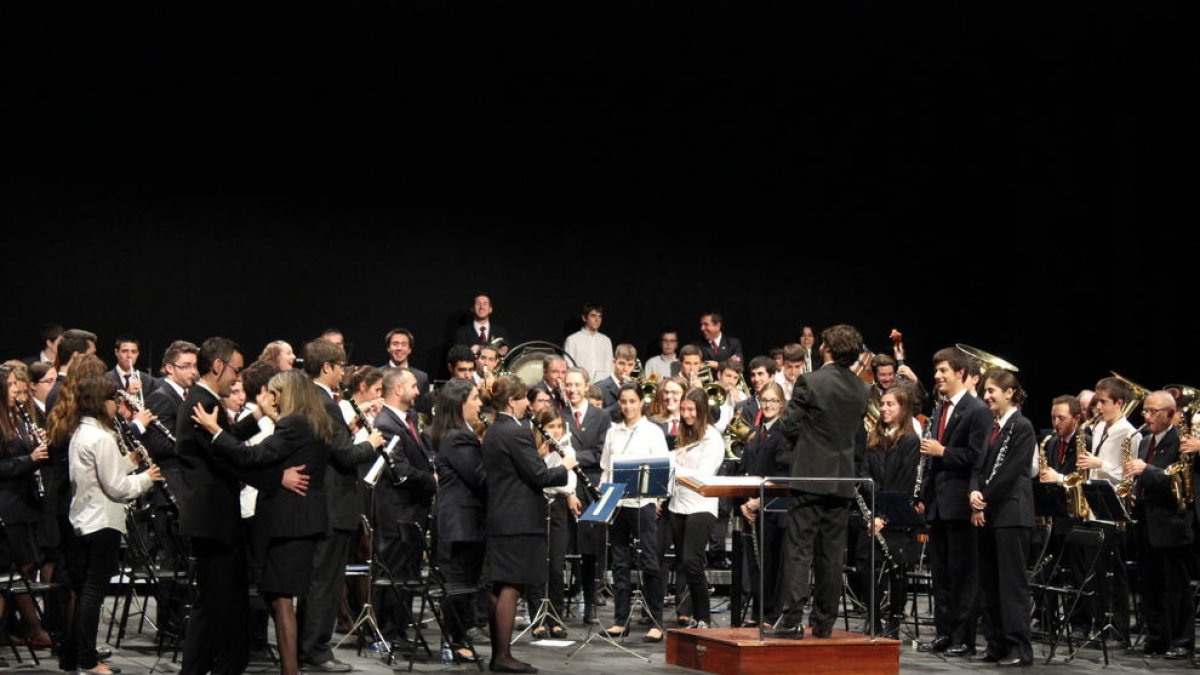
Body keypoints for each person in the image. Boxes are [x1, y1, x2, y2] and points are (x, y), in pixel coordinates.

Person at [192, 370, 334, 675]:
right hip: (302, 519)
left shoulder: (294, 423)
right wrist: (266, 416)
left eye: (274, 392)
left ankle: (290, 671)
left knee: (281, 599)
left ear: (287, 394)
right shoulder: (314, 420)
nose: (269, 398)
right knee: (277, 595)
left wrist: (216, 430)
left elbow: (252, 455)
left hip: (289, 521)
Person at [174, 337, 295, 675]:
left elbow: (226, 441)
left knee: (226, 601)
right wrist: (276, 479)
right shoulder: (201, 402)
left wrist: (257, 414)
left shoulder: (205, 399)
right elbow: (228, 461)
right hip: (211, 519)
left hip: (216, 518)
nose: (237, 379)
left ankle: (228, 665)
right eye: (236, 371)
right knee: (213, 605)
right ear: (217, 366)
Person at [765, 324, 869, 640]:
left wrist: (806, 445)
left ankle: (793, 619)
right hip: (841, 481)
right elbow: (857, 438)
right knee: (832, 555)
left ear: (826, 349)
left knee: (799, 550)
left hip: (809, 477)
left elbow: (788, 426)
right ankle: (824, 623)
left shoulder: (811, 381)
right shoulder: (861, 388)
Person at [58, 375, 161, 674]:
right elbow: (116, 487)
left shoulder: (83, 432)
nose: (117, 405)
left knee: (84, 593)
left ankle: (72, 658)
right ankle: (89, 661)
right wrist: (147, 478)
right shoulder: (101, 437)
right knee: (93, 594)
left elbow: (102, 472)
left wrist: (129, 460)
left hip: (84, 520)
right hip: (101, 523)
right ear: (99, 402)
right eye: (113, 400)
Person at [298, 340, 383, 672]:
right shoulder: (326, 402)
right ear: (326, 368)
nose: (343, 373)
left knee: (317, 580)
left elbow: (331, 443)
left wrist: (352, 430)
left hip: (320, 503)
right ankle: (316, 650)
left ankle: (309, 646)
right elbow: (344, 455)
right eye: (341, 366)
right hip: (334, 504)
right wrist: (371, 443)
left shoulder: (308, 396)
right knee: (325, 583)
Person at [481, 376, 576, 674]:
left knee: (500, 585)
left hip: (501, 515)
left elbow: (518, 469)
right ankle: (503, 656)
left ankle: (499, 654)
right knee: (512, 585)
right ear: (512, 401)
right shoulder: (517, 430)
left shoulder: (495, 428)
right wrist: (564, 468)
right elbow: (538, 477)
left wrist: (537, 458)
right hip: (519, 519)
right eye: (523, 399)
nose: (527, 404)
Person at [913, 347, 992, 656]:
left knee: (964, 576)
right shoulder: (941, 408)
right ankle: (945, 634)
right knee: (942, 575)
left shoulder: (977, 410)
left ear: (960, 373)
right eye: (936, 371)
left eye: (943, 371)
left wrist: (942, 452)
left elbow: (977, 457)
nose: (937, 376)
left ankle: (963, 638)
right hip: (938, 505)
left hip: (960, 504)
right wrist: (923, 495)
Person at [969, 370, 1035, 666]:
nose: (986, 396)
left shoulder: (1022, 426)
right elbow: (978, 465)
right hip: (987, 512)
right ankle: (995, 644)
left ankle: (1019, 648)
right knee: (989, 583)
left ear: (1009, 393)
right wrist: (973, 493)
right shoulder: (992, 426)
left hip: (1010, 513)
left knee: (1011, 584)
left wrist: (984, 499)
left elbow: (1010, 472)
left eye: (992, 390)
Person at [1123, 390, 1193, 659]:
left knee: (1175, 587)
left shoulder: (1181, 442)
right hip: (1146, 523)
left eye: (1154, 412)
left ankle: (1181, 640)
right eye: (1145, 411)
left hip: (1172, 524)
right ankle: (1157, 638)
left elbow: (1180, 484)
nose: (1147, 416)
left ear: (1171, 415)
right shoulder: (1144, 442)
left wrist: (1146, 470)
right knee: (1150, 585)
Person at [373, 366, 438, 651]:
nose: (418, 391)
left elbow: (422, 455)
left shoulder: (409, 418)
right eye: (413, 385)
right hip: (397, 511)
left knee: (408, 572)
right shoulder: (385, 422)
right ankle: (389, 632)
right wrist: (431, 480)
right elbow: (397, 469)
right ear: (398, 389)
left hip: (414, 510)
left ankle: (401, 628)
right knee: (395, 572)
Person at [600, 384, 669, 641]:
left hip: (643, 504)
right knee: (619, 563)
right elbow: (606, 467)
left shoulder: (652, 431)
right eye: (623, 401)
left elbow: (660, 468)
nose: (627, 406)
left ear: (641, 402)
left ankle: (655, 621)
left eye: (632, 401)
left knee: (650, 562)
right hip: (618, 503)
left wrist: (658, 499)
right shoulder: (612, 432)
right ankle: (620, 620)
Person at [432, 378, 488, 663]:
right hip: (461, 523)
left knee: (464, 582)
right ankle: (455, 640)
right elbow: (480, 477)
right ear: (459, 403)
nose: (480, 404)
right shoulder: (458, 436)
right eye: (475, 398)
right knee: (458, 585)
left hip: (463, 521)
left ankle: (458, 638)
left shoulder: (456, 434)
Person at [859, 384, 921, 638]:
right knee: (865, 566)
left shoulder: (910, 441)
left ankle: (894, 622)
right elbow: (865, 476)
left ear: (903, 409)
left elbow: (903, 483)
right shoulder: (872, 439)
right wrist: (873, 513)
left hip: (896, 519)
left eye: (890, 405)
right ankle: (874, 619)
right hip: (871, 515)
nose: (883, 409)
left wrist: (884, 517)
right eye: (882, 404)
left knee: (897, 569)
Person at [0, 362, 54, 648]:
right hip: (7, 507)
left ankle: (20, 627)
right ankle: (31, 627)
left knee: (25, 568)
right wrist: (29, 459)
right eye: (11, 387)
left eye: (20, 390)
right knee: (16, 570)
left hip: (24, 503)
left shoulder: (16, 419)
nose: (18, 396)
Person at [667, 387, 724, 629]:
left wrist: (674, 467)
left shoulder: (712, 438)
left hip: (701, 506)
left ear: (702, 410)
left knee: (692, 560)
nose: (687, 414)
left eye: (691, 410)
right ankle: (689, 613)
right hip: (678, 505)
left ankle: (704, 617)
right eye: (684, 410)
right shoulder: (683, 435)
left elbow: (703, 474)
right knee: (683, 562)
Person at [524, 407, 581, 641]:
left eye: (559, 427)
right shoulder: (532, 449)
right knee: (537, 563)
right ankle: (537, 618)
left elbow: (569, 482)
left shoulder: (568, 449)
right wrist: (543, 455)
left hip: (557, 505)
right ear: (541, 429)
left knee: (556, 565)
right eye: (551, 427)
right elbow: (534, 475)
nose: (556, 432)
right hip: (537, 503)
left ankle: (555, 617)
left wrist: (570, 493)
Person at [737, 382, 790, 627]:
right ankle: (759, 611)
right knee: (757, 564)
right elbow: (747, 470)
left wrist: (759, 501)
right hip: (753, 508)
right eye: (764, 400)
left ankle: (771, 614)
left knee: (772, 562)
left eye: (773, 401)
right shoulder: (757, 432)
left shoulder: (784, 433)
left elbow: (783, 474)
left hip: (774, 508)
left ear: (781, 404)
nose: (768, 405)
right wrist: (746, 503)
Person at [562, 367, 611, 624]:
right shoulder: (558, 415)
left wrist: (573, 458)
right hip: (566, 489)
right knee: (564, 547)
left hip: (592, 489)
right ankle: (558, 605)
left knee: (591, 550)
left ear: (586, 385)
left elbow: (601, 452)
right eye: (568, 385)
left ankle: (590, 604)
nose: (572, 389)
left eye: (577, 385)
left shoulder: (601, 416)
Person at [563, 303, 613, 383]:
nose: (597, 319)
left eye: (600, 316)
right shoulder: (572, 339)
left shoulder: (606, 340)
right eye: (593, 316)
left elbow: (609, 366)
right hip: (580, 385)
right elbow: (569, 365)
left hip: (602, 387)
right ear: (584, 318)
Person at [107, 333, 158, 403]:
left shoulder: (148, 381)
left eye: (133, 352)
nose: (129, 355)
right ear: (116, 352)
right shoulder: (105, 379)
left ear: (138, 354)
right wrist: (127, 395)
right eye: (124, 351)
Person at [595, 343, 638, 412]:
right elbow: (597, 416)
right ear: (614, 362)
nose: (625, 369)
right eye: (621, 363)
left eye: (630, 365)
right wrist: (620, 403)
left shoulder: (637, 387)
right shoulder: (599, 388)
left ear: (634, 365)